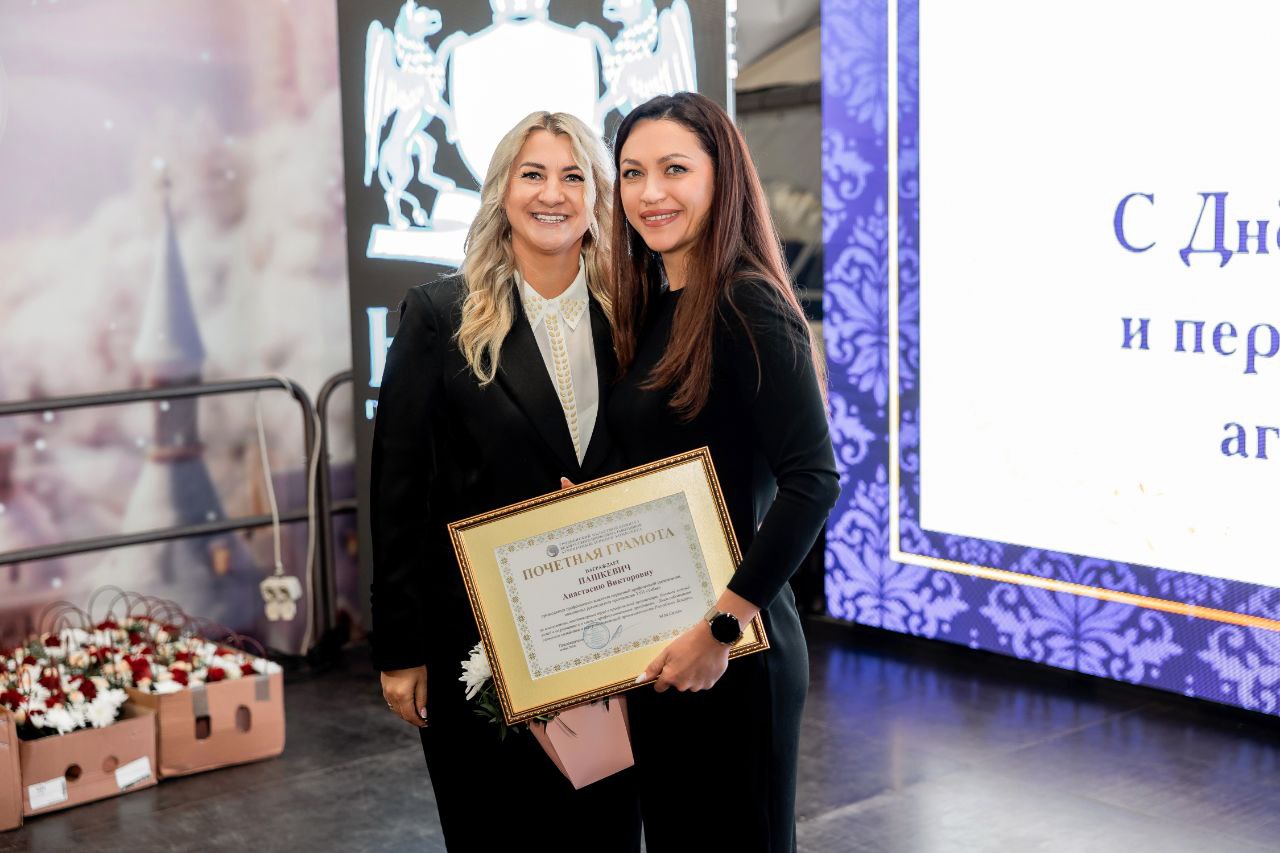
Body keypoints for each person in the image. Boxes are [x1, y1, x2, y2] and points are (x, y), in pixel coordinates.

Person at [370, 111, 640, 852]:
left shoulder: (636, 315)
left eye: (573, 176)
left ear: (597, 197)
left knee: (607, 835)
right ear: (502, 192)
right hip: (477, 642)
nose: (552, 193)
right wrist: (400, 647)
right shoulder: (439, 315)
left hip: (611, 631)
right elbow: (398, 492)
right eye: (533, 174)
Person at [606, 92, 840, 852]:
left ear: (722, 177)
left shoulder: (747, 302)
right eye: (632, 172)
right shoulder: (656, 304)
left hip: (734, 650)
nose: (650, 192)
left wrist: (720, 627)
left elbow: (813, 481)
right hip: (664, 640)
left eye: (675, 169)